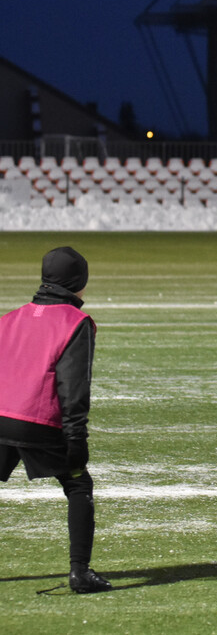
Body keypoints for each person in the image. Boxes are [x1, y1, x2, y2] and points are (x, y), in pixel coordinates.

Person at [0, 247, 111, 593]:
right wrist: (77, 439)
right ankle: (80, 572)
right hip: (38, 419)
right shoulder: (76, 322)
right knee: (78, 485)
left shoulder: (10, 317)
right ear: (79, 282)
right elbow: (74, 388)